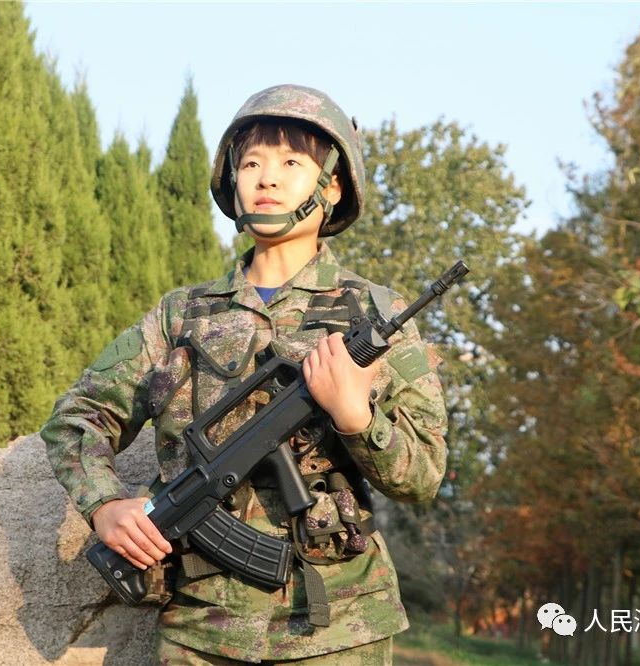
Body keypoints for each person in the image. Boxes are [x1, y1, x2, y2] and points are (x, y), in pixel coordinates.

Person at [41, 84, 448, 665]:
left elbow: (424, 474)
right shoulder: (182, 315)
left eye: (291, 164)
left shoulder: (375, 315)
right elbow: (78, 417)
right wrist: (104, 505)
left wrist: (356, 418)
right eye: (252, 163)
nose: (267, 179)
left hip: (338, 630)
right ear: (233, 181)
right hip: (201, 629)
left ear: (332, 187)